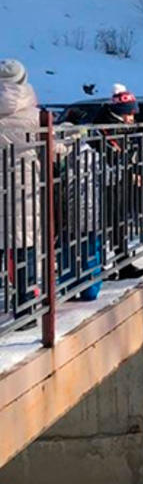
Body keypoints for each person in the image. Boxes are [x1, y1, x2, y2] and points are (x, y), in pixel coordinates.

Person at [0, 59, 41, 328]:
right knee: (24, 247)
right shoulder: (34, 115)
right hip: (23, 190)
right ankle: (25, 308)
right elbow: (56, 145)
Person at [92, 84, 143, 280]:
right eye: (130, 114)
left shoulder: (117, 127)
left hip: (117, 182)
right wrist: (128, 173)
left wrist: (135, 171)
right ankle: (107, 266)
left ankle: (119, 264)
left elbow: (127, 154)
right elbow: (110, 157)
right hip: (104, 184)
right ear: (120, 113)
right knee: (108, 225)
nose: (133, 119)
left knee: (118, 224)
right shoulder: (104, 128)